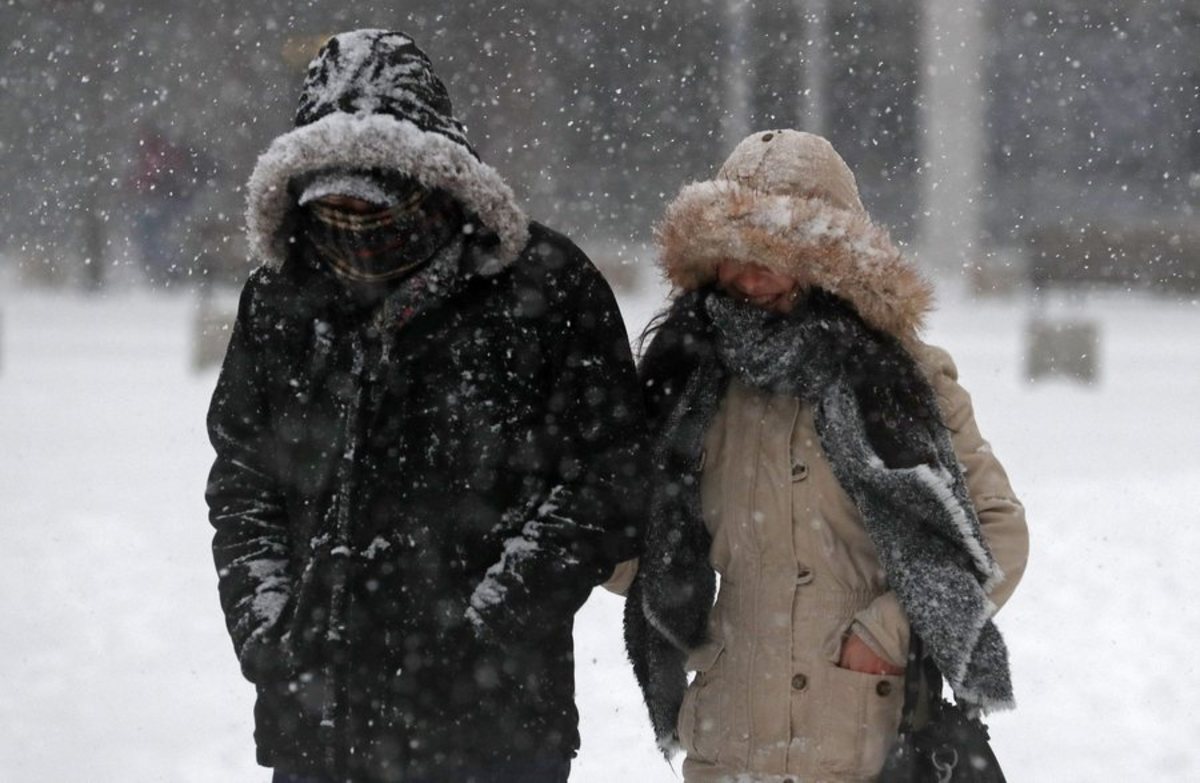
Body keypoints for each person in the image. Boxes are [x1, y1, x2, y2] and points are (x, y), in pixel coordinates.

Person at [205, 30, 644, 783]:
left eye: (375, 200)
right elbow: (245, 479)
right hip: (320, 729)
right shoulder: (281, 296)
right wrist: (268, 630)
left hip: (495, 730)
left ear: (435, 183)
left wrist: (486, 627)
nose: (352, 231)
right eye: (330, 207)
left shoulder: (543, 288)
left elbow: (606, 482)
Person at [618, 129, 1029, 782]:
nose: (746, 277)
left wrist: (886, 632)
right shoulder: (687, 382)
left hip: (867, 742)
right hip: (729, 745)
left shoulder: (905, 379)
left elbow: (998, 530)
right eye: (730, 252)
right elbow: (635, 552)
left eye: (771, 255)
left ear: (828, 260)